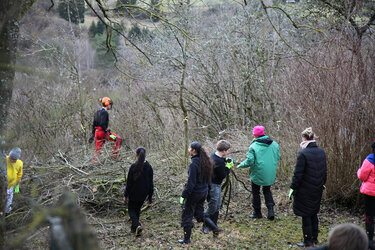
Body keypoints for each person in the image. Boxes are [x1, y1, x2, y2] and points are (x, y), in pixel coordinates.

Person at [289, 127, 327, 247]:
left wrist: (293, 188)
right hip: (317, 188)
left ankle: (308, 241)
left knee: (305, 214)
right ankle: (315, 238)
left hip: (304, 190)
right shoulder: (321, 152)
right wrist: (322, 184)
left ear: (304, 138)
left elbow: (298, 174)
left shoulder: (303, 153)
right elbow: (324, 171)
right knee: (314, 213)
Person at [179, 142, 221, 244]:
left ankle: (186, 240)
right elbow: (208, 179)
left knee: (187, 216)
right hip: (203, 192)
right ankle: (214, 227)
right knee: (199, 214)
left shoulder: (194, 164)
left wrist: (183, 196)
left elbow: (191, 183)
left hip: (194, 193)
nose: (189, 149)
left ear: (194, 150)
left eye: (190, 148)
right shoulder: (206, 162)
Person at [237, 125, 280, 220]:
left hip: (257, 172)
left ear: (255, 135)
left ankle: (257, 213)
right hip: (270, 172)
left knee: (255, 192)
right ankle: (271, 211)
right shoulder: (275, 144)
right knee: (267, 190)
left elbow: (250, 161)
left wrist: (240, 165)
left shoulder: (253, 146)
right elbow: (278, 157)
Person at [202, 140, 233, 235]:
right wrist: (228, 167)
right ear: (223, 150)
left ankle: (214, 226)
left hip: (216, 185)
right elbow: (223, 174)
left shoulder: (214, 155)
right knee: (212, 206)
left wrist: (226, 161)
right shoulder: (218, 161)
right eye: (227, 150)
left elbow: (221, 161)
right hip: (213, 185)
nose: (227, 152)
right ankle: (206, 225)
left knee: (217, 206)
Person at [123, 147, 154, 237]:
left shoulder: (133, 166)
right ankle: (135, 229)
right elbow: (151, 184)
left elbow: (129, 183)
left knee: (131, 210)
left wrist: (125, 195)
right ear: (145, 155)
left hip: (133, 193)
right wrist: (150, 197)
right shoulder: (149, 167)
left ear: (136, 155)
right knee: (137, 210)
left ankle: (137, 225)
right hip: (144, 193)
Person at [90, 97, 122, 162]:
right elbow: (102, 124)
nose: (110, 106)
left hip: (97, 133)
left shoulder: (97, 112)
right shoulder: (105, 113)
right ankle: (114, 156)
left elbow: (93, 124)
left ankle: (94, 161)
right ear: (107, 104)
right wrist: (107, 132)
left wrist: (92, 136)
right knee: (118, 139)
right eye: (110, 104)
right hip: (103, 133)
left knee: (97, 149)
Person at [357, 141, 375, 249]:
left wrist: (359, 171)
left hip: (369, 193)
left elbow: (362, 176)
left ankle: (369, 239)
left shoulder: (369, 160)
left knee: (369, 216)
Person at [5, 147, 23, 215]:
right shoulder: (4, 159)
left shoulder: (20, 163)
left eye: (14, 159)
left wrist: (17, 185)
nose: (12, 160)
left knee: (9, 200)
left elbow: (19, 174)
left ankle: (7, 213)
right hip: (2, 184)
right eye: (11, 158)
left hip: (11, 185)